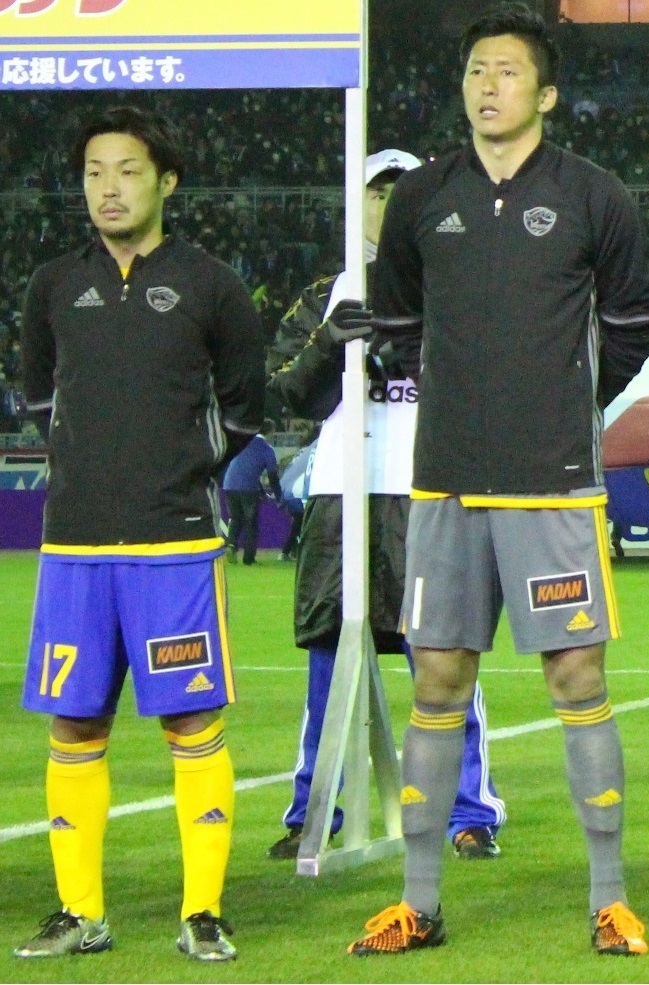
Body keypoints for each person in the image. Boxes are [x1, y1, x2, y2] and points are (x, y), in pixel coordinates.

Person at [345, 3, 649, 957]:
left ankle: (609, 897)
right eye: (478, 69)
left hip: (553, 484)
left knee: (577, 674)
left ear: (547, 95)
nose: (489, 85)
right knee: (437, 677)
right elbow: (399, 320)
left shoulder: (594, 195)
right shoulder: (422, 198)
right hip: (444, 477)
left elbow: (633, 324)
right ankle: (419, 902)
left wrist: (562, 403)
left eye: (509, 71)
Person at [13, 107, 264, 962]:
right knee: (74, 723)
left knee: (191, 720)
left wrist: (177, 468)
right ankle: (79, 911)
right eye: (94, 173)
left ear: (167, 181)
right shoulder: (53, 285)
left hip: (173, 544)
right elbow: (40, 399)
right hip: (74, 545)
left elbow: (243, 408)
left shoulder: (211, 285)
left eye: (125, 170)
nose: (108, 188)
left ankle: (203, 911)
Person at [265, 150, 506, 863]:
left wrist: (416, 349)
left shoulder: (459, 282)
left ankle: (469, 811)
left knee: (444, 654)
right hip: (342, 491)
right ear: (357, 203)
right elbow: (286, 391)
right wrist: (328, 344)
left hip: (428, 487)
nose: (390, 206)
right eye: (378, 194)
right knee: (328, 655)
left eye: (404, 194)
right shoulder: (325, 294)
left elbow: (490, 383)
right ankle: (314, 811)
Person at [220, 429, 277, 564]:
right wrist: (278, 496)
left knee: (235, 518)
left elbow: (246, 470)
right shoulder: (266, 448)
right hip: (248, 488)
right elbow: (273, 476)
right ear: (270, 431)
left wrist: (261, 491)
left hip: (229, 485)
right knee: (251, 523)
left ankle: (231, 545)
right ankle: (248, 558)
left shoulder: (242, 442)